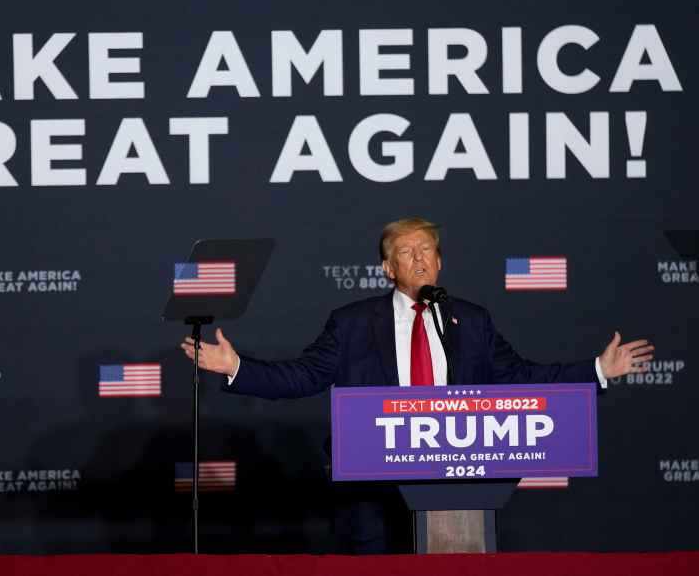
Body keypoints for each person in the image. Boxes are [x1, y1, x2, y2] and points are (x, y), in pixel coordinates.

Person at [180, 217, 654, 553]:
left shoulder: (470, 320)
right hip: (374, 492)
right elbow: (304, 376)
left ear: (440, 262)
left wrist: (596, 370)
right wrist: (236, 365)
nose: (419, 258)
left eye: (427, 249)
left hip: (457, 487)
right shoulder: (352, 323)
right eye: (406, 252)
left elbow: (521, 377)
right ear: (388, 269)